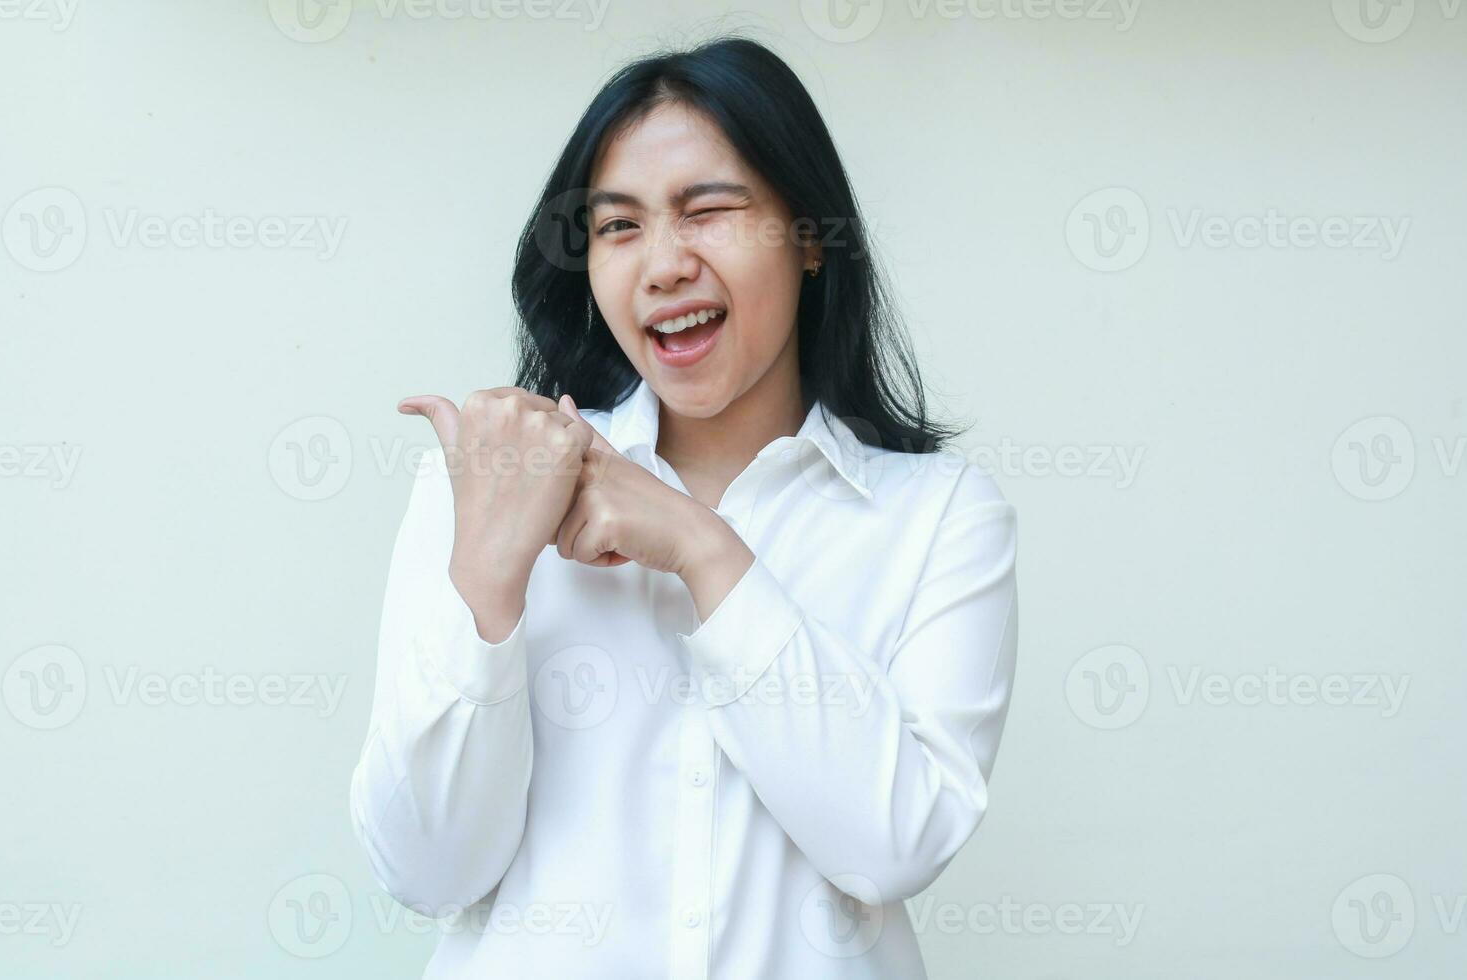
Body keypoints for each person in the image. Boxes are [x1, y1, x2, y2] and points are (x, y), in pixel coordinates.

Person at [349, 34, 1019, 980]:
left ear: (812, 239)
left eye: (707, 211)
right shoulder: (487, 487)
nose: (661, 265)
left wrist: (705, 553)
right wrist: (489, 575)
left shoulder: (940, 519)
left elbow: (894, 843)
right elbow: (427, 869)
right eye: (619, 228)